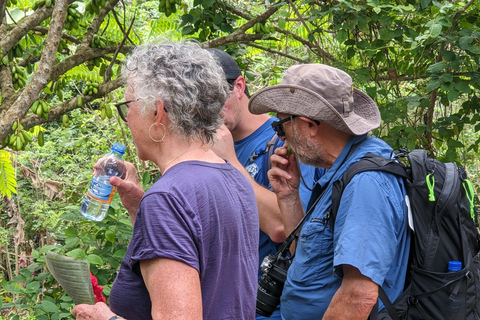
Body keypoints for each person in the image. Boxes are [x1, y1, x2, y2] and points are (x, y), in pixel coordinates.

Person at [71, 40, 259, 320]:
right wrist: (140, 207)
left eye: (128, 106)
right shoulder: (233, 177)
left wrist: (103, 318)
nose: (127, 118)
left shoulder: (168, 198)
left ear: (158, 112)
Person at [248, 63, 411, 320]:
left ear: (310, 125)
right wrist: (289, 195)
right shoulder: (336, 171)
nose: (281, 138)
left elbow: (358, 296)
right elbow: (307, 256)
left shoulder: (365, 183)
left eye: (281, 127)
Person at [206, 48, 315, 320]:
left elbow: (283, 228)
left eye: (214, 98)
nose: (207, 111)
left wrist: (230, 160)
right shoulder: (209, 145)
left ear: (239, 86)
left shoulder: (283, 138)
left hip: (270, 307)